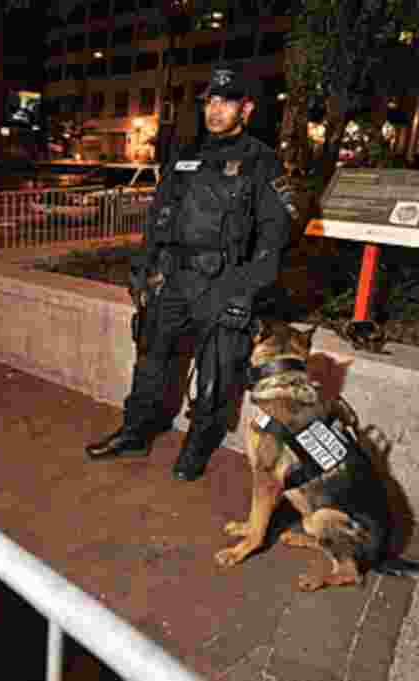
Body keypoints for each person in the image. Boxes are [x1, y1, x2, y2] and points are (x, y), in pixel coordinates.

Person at [85, 63, 296, 481]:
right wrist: (144, 267)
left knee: (216, 373)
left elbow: (276, 236)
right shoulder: (186, 156)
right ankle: (136, 430)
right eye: (211, 102)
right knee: (150, 358)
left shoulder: (262, 162)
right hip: (173, 278)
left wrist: (247, 291)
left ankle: (198, 443)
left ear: (247, 109)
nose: (215, 110)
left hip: (223, 282)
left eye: (226, 102)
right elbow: (158, 217)